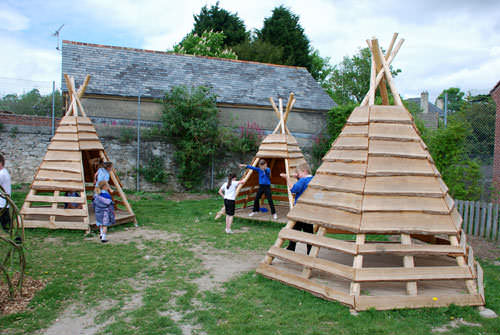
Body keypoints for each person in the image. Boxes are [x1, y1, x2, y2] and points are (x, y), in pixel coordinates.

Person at [280, 163, 314, 254]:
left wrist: (287, 178)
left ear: (304, 171)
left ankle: (291, 249)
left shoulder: (302, 180)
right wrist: (298, 177)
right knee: (309, 232)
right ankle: (309, 252)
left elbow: (293, 189)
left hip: (299, 210)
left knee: (294, 231)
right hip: (309, 210)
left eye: (299, 172)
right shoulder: (313, 179)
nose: (298, 174)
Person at [0, 154, 12, 232]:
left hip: (1, 202)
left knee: (5, 226)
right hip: (4, 202)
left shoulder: (1, 174)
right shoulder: (4, 171)